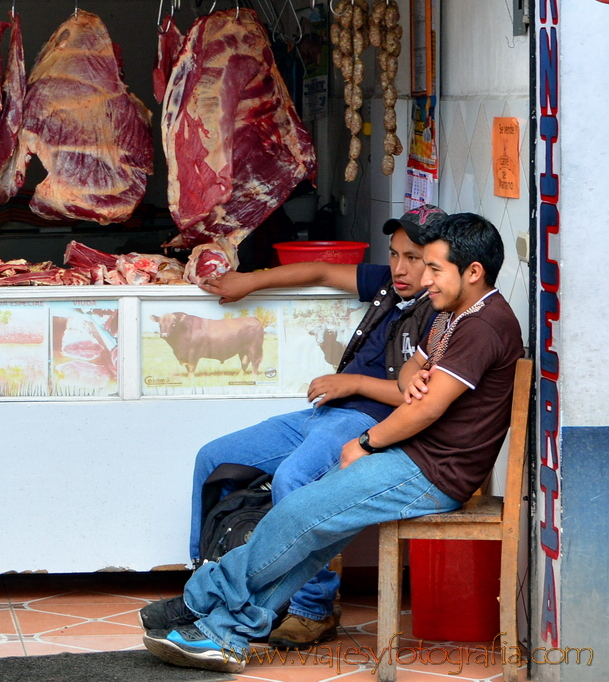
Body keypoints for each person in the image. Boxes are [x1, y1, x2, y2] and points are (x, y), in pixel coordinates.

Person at [140, 212, 524, 674]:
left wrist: (366, 441)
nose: (424, 277)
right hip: (413, 456)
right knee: (316, 537)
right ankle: (225, 632)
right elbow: (409, 375)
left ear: (473, 272)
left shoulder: (484, 326)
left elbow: (423, 408)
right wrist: (414, 376)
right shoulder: (451, 314)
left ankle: (202, 600)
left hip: (434, 472)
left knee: (302, 512)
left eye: (435, 268)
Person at [176, 205, 447, 649]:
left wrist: (355, 382)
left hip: (366, 420)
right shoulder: (387, 284)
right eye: (395, 254)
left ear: (439, 260)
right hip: (323, 414)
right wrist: (249, 281)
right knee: (215, 458)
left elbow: (419, 398)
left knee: (295, 478)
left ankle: (311, 609)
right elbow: (322, 270)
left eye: (413, 258)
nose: (400, 268)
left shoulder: (440, 313)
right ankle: (209, 582)